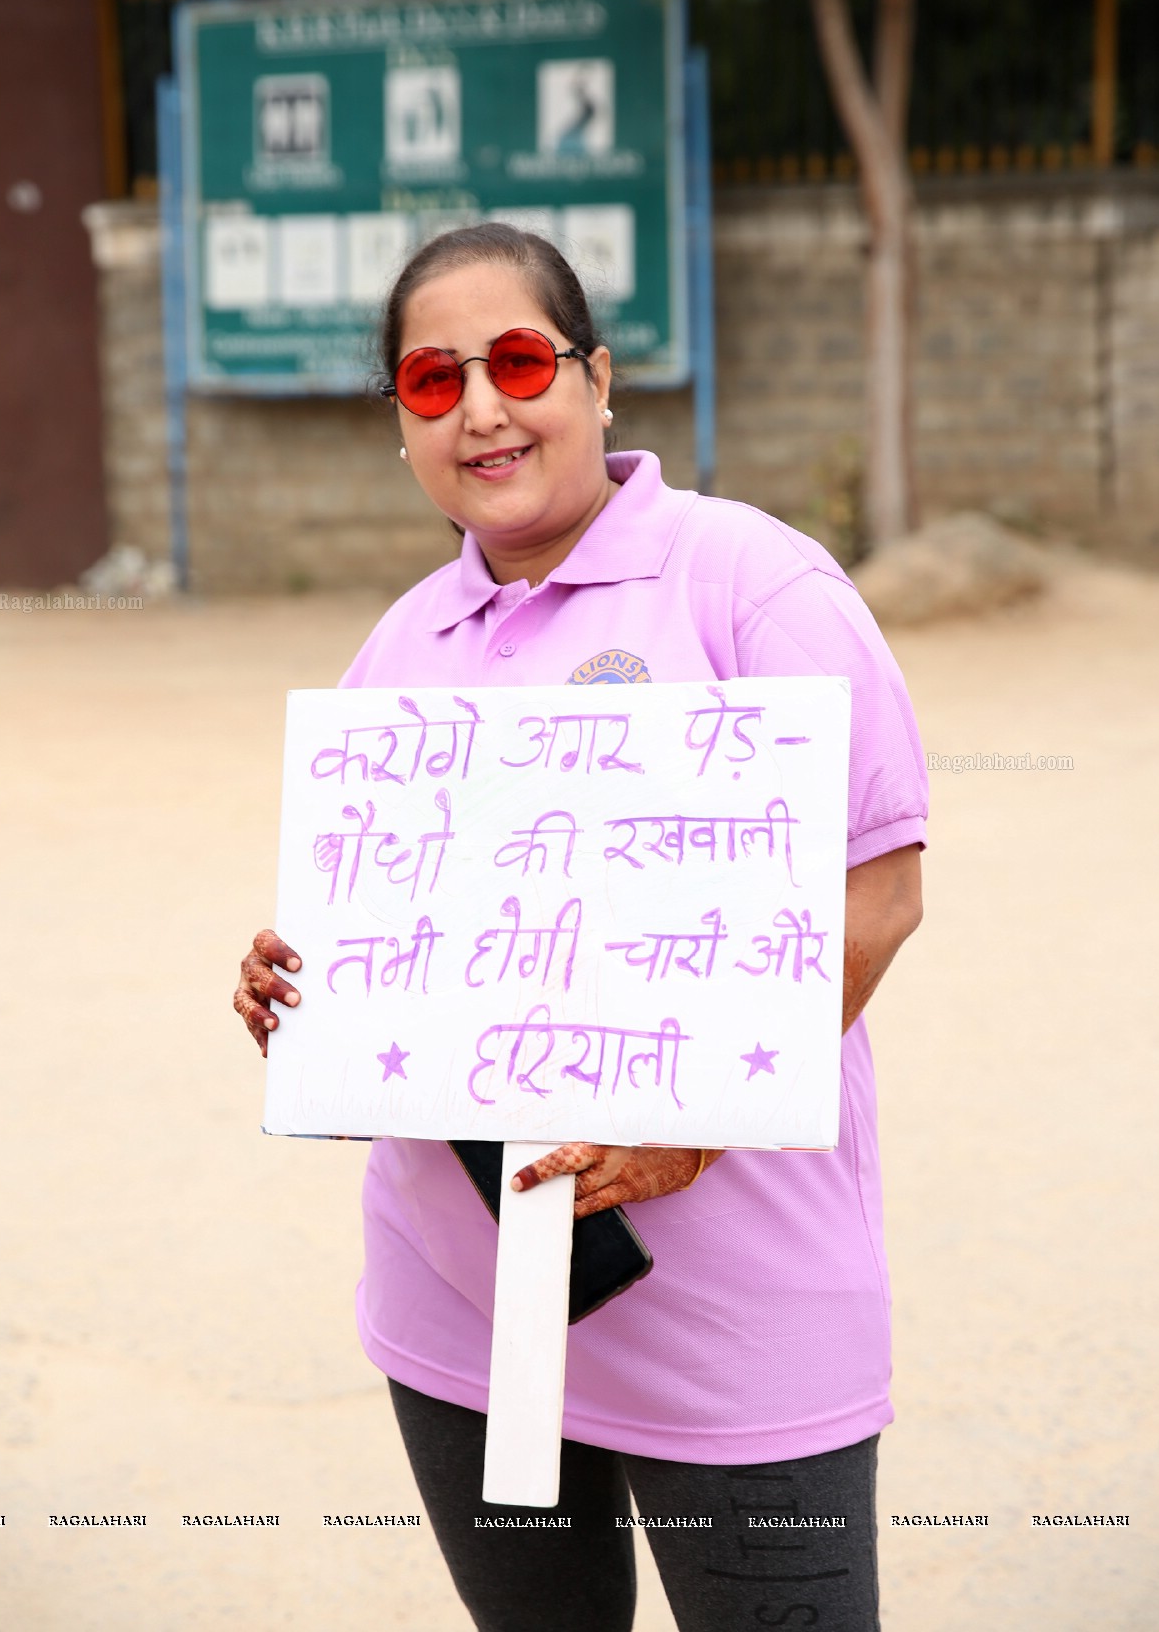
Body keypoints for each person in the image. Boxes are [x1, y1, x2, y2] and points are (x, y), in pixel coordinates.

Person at [233, 223, 926, 1632]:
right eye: (433, 382)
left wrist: (699, 1122)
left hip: (734, 1321)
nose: (481, 407)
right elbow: (386, 924)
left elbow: (882, 888)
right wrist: (294, 978)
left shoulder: (750, 584)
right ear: (402, 429)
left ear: (599, 381)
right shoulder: (405, 643)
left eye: (521, 361)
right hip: (456, 1307)